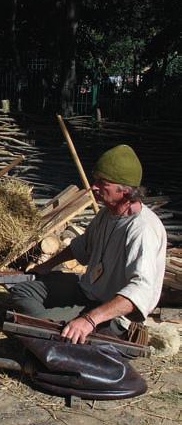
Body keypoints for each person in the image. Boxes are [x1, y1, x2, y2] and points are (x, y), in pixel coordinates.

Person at [10, 145, 167, 344]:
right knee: (23, 291)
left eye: (103, 183)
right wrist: (47, 265)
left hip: (111, 315)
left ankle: (53, 330)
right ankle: (49, 328)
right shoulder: (106, 213)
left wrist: (89, 320)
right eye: (95, 181)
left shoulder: (143, 229)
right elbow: (82, 246)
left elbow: (141, 291)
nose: (94, 187)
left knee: (36, 322)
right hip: (87, 292)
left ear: (125, 190)